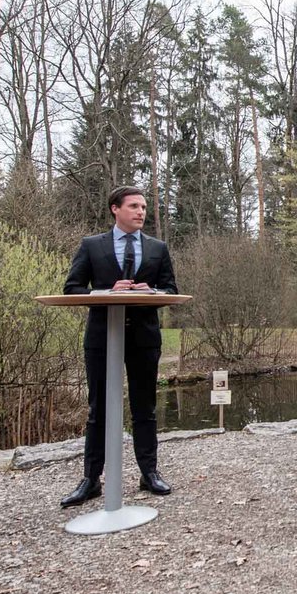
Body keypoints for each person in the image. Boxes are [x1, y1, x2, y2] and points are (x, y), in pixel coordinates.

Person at [59, 185, 179, 508]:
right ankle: (90, 480)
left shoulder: (158, 248)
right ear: (115, 208)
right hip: (102, 338)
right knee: (98, 409)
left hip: (144, 338)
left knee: (146, 408)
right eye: (134, 206)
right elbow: (72, 288)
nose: (141, 212)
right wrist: (105, 291)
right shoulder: (91, 246)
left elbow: (170, 288)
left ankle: (149, 473)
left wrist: (151, 290)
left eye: (143, 207)